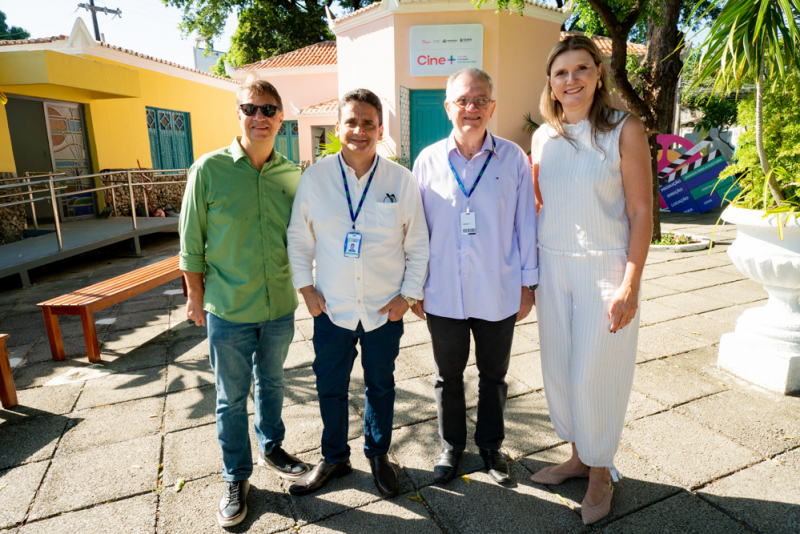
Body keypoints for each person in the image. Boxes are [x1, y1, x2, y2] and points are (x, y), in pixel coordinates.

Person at [529, 36, 652, 525]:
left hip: (605, 267)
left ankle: (601, 473)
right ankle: (579, 457)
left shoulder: (624, 129)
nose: (571, 80)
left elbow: (642, 212)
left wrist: (630, 284)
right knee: (560, 371)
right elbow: (540, 206)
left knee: (595, 377)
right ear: (551, 83)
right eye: (561, 72)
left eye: (581, 69)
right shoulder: (543, 137)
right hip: (553, 268)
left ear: (598, 73)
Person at [179, 75, 309, 528]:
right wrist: (195, 298)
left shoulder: (291, 174)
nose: (260, 117)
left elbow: (304, 238)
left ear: (280, 118)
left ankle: (272, 447)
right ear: (238, 114)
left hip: (278, 307)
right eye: (251, 109)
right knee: (231, 398)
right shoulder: (208, 170)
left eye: (269, 110)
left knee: (272, 383)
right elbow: (191, 244)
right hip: (228, 309)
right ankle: (236, 475)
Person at [287, 89, 429, 497]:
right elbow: (299, 239)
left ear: (381, 129)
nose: (360, 130)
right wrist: (306, 289)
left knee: (380, 386)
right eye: (351, 121)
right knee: (329, 385)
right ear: (337, 128)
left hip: (385, 310)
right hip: (332, 309)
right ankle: (334, 457)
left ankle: (378, 453)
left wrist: (409, 296)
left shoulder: (400, 181)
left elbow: (418, 244)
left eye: (368, 122)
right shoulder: (315, 178)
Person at [412, 68, 538, 486]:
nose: (471, 108)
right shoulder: (427, 160)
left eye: (480, 100)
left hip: (498, 289)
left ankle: (491, 447)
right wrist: (415, 287)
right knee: (447, 377)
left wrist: (527, 286)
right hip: (443, 292)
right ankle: (452, 447)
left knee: (493, 376)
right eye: (463, 101)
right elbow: (415, 231)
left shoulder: (514, 159)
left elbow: (525, 225)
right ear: (448, 107)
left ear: (492, 107)